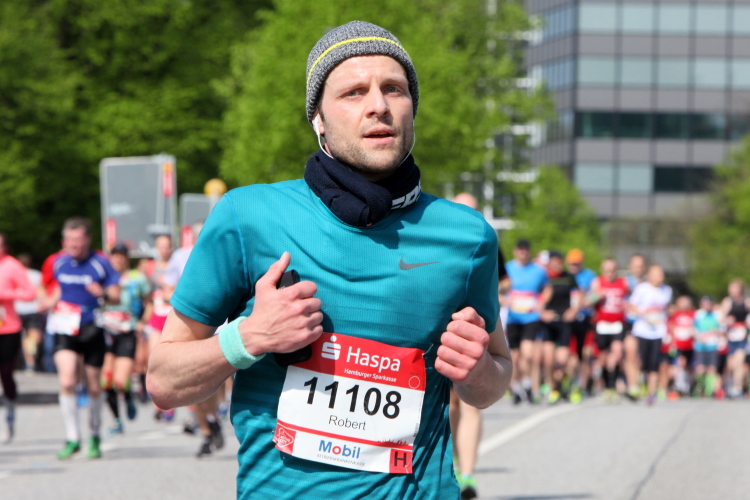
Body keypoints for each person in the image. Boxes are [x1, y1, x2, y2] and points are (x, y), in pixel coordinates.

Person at [148, 21, 511, 499]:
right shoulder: (247, 216)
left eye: (394, 89)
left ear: (412, 108)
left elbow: (495, 377)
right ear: (317, 118)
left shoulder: (466, 235)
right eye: (353, 92)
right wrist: (250, 337)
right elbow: (164, 382)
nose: (378, 105)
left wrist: (479, 372)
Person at [40, 218, 120, 459]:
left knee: (94, 386)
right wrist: (49, 301)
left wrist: (103, 293)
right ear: (64, 241)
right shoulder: (59, 263)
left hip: (91, 327)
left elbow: (116, 295)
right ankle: (73, 437)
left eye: (78, 239)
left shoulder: (100, 263)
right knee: (67, 381)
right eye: (70, 240)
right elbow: (55, 288)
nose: (74, 244)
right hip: (65, 327)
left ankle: (94, 434)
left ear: (88, 240)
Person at [101, 243, 151, 434]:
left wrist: (142, 322)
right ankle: (116, 420)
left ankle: (128, 396)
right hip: (105, 332)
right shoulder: (103, 277)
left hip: (127, 331)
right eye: (115, 255)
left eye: (121, 256)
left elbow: (149, 303)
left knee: (120, 382)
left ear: (126, 258)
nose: (118, 259)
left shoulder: (137, 279)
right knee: (106, 381)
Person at [505, 239, 550, 404]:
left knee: (528, 354)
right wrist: (503, 299)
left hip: (531, 317)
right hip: (513, 318)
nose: (523, 253)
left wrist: (542, 302)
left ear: (529, 252)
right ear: (515, 251)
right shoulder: (507, 268)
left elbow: (548, 288)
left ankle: (528, 384)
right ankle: (516, 387)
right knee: (515, 356)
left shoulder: (538, 270)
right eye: (520, 250)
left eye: (525, 250)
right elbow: (495, 288)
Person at [0, 234, 36, 441]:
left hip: (8, 327)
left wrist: (6, 294)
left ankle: (10, 412)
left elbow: (29, 293)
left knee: (6, 373)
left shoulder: (12, 266)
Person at [627, 265, 672, 406]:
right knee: (640, 361)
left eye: (662, 274)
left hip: (658, 332)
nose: (660, 277)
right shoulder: (641, 289)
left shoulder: (667, 290)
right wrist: (645, 313)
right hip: (642, 331)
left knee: (654, 363)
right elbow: (631, 306)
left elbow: (666, 309)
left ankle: (651, 394)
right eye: (657, 274)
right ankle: (638, 384)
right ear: (650, 275)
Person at [539, 250, 578, 403]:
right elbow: (537, 298)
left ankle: (563, 383)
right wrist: (542, 312)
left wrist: (573, 310)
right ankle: (553, 386)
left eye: (559, 262)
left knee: (562, 359)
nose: (557, 264)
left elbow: (577, 295)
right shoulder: (544, 277)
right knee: (548, 359)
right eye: (554, 262)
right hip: (548, 323)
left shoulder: (568, 277)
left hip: (564, 322)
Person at [590, 258, 628, 403]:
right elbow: (587, 301)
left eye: (612, 270)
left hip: (617, 324)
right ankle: (607, 387)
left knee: (617, 354)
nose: (610, 273)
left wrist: (628, 305)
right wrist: (597, 295)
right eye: (607, 270)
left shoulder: (623, 282)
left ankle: (613, 386)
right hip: (602, 325)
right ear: (602, 270)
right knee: (604, 358)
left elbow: (632, 298)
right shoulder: (597, 282)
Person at [566, 249, 597, 402]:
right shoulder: (565, 277)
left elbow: (597, 293)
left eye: (577, 263)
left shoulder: (589, 275)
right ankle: (572, 383)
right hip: (570, 322)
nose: (574, 266)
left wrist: (586, 300)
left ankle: (583, 385)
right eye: (572, 263)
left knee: (585, 355)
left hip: (586, 320)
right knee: (571, 356)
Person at [719, 279, 750, 399]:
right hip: (731, 337)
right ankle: (730, 385)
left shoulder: (746, 302)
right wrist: (727, 320)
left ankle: (738, 387)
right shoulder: (727, 302)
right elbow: (721, 318)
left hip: (742, 337)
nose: (734, 291)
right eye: (732, 289)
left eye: (736, 289)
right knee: (731, 364)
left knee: (740, 361)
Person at [15, 253, 44, 372]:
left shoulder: (14, 274)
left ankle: (29, 362)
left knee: (24, 337)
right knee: (33, 337)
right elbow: (41, 292)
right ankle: (32, 359)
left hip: (17, 309)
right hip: (33, 309)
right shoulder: (37, 275)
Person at [623, 254, 646, 400]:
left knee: (640, 357)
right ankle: (632, 385)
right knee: (630, 353)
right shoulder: (624, 282)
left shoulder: (649, 283)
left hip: (645, 325)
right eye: (635, 265)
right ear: (630, 267)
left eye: (640, 266)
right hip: (629, 323)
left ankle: (639, 380)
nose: (638, 268)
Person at [693, 296, 722, 398]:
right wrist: (698, 337)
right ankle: (700, 386)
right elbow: (693, 328)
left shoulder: (717, 314)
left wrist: (715, 332)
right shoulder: (698, 314)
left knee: (712, 368)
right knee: (700, 369)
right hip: (700, 346)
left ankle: (709, 391)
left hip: (713, 345)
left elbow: (721, 327)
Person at [668, 296, 696, 396]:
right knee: (680, 363)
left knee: (689, 366)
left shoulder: (693, 314)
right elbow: (672, 327)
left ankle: (690, 385)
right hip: (679, 345)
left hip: (690, 345)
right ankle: (680, 385)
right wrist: (672, 342)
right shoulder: (676, 314)